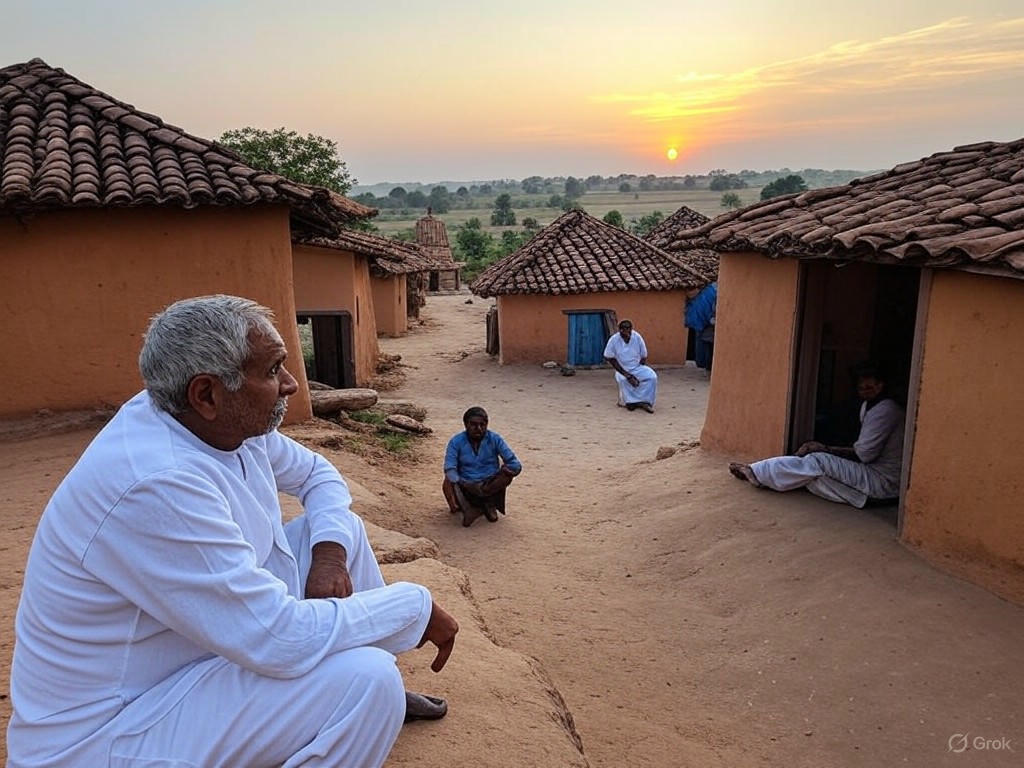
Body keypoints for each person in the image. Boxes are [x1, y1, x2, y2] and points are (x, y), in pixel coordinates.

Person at [7, 295, 459, 768]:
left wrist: (329, 555)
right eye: (271, 371)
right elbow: (278, 640)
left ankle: (348, 700)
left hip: (189, 661)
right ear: (206, 394)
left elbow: (318, 476)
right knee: (368, 680)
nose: (289, 385)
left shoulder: (213, 422)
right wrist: (413, 605)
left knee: (339, 531)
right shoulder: (158, 482)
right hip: (111, 731)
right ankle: (357, 697)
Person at [728, 362, 905, 508]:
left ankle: (756, 472)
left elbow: (865, 454)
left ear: (881, 385)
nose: (865, 391)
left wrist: (825, 449)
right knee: (812, 477)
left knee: (817, 460)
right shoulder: (869, 406)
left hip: (883, 481)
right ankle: (762, 475)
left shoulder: (886, 410)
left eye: (870, 386)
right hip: (875, 479)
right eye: (861, 388)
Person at [443, 407, 522, 527]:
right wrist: (460, 481)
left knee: (506, 476)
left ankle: (484, 505)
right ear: (466, 425)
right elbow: (450, 466)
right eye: (473, 425)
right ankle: (478, 506)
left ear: (487, 424)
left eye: (482, 425)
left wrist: (510, 470)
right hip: (466, 482)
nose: (478, 429)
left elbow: (514, 463)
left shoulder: (495, 439)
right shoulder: (456, 441)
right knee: (449, 479)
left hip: (490, 482)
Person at [603, 319, 658, 413]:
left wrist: (638, 371)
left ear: (631, 329)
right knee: (623, 380)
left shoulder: (637, 337)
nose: (626, 332)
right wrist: (627, 375)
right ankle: (630, 402)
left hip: (636, 367)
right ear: (619, 330)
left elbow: (644, 355)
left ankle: (645, 401)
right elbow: (610, 358)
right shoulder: (614, 339)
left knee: (652, 377)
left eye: (628, 329)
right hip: (622, 368)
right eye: (623, 330)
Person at [684, 281, 717, 373]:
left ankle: (705, 365)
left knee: (707, 348)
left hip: (704, 328)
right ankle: (707, 366)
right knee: (709, 349)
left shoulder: (706, 295)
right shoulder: (711, 294)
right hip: (708, 329)